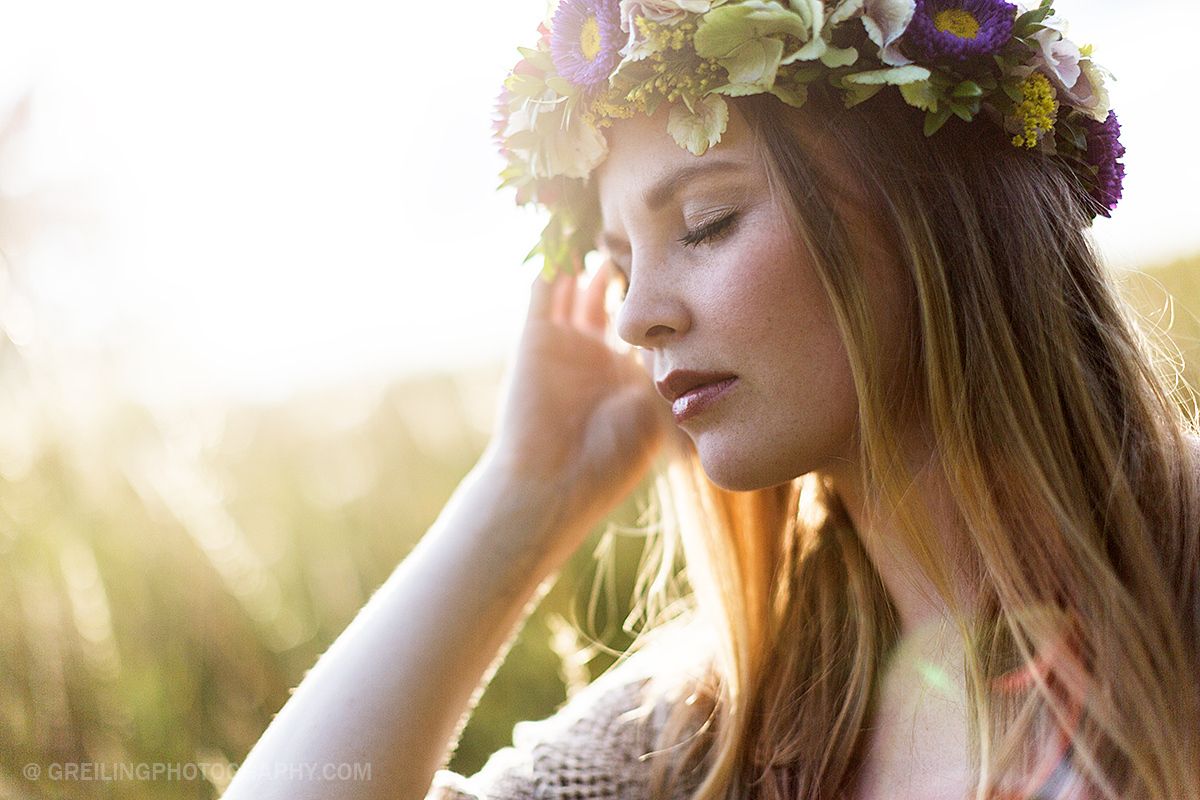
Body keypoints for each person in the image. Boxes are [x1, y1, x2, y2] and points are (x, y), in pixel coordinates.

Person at [222, 1, 1200, 798]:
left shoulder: (1179, 592)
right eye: (615, 266)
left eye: (706, 220)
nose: (636, 316)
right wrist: (521, 496)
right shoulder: (707, 733)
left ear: (931, 208)